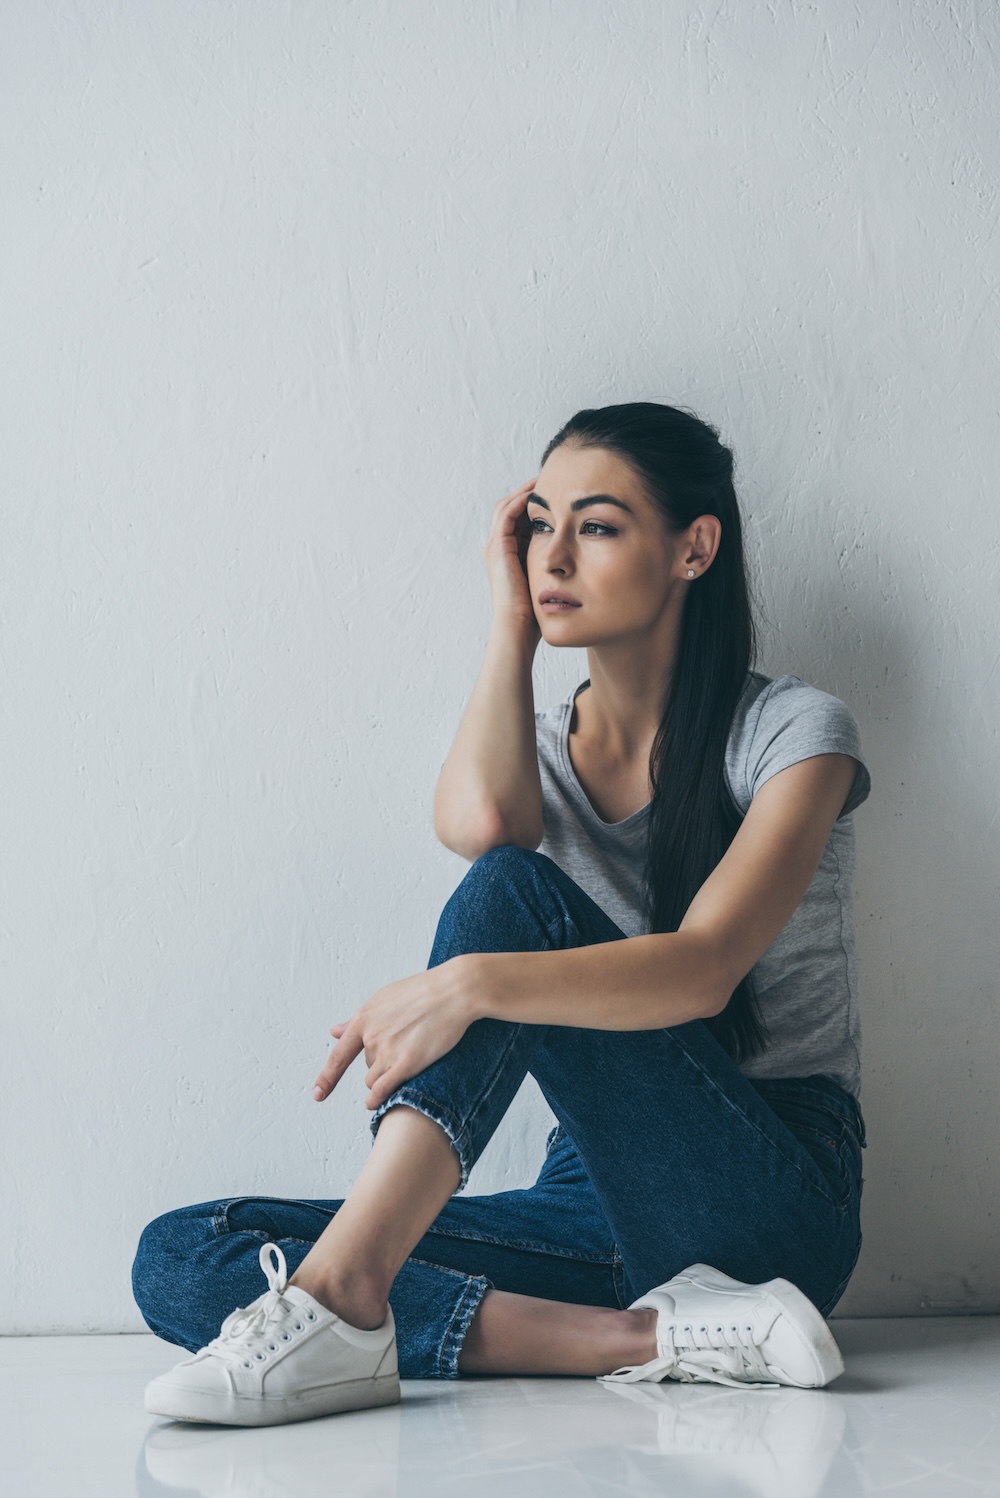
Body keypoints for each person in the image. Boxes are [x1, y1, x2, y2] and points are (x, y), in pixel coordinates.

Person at [135, 401, 870, 1428]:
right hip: (591, 1196)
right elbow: (484, 819)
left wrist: (468, 982)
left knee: (507, 902)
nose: (553, 555)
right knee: (185, 1250)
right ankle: (650, 1337)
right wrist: (509, 623)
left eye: (598, 526)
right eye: (538, 524)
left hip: (766, 1189)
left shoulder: (793, 733)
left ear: (693, 547)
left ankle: (347, 1301)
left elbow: (701, 966)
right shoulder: (531, 747)